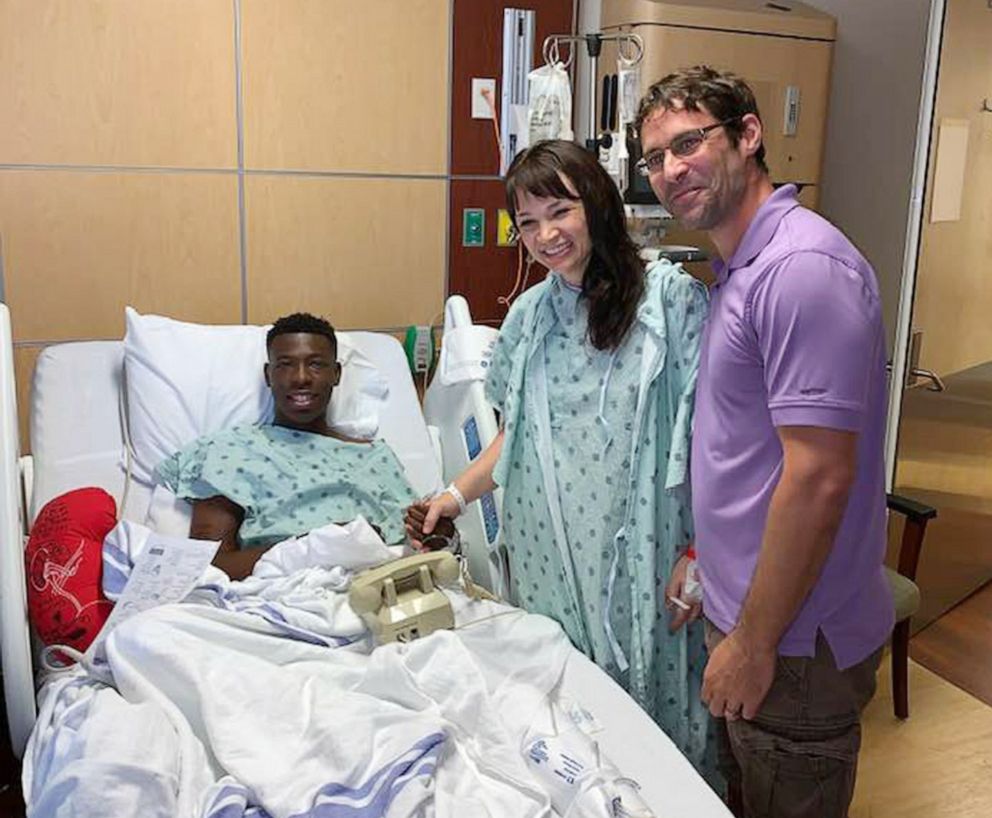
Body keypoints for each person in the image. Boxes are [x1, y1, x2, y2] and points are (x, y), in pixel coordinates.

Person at [408, 139, 716, 782]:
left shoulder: (670, 301)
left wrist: (703, 554)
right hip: (553, 555)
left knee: (655, 711)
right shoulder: (529, 318)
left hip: (649, 548)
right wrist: (454, 497)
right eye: (527, 222)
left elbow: (712, 437)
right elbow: (512, 439)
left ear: (596, 204)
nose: (546, 234)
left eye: (560, 211)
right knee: (574, 710)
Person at [636, 65, 890, 818]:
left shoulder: (800, 271)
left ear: (749, 135)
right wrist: (707, 558)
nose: (670, 170)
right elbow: (750, 451)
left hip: (793, 644)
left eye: (689, 143)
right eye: (654, 158)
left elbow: (818, 480)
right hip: (757, 617)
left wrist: (751, 643)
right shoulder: (740, 270)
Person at [158, 312, 454, 580]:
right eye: (286, 365)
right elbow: (206, 567)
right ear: (268, 375)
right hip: (272, 596)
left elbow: (419, 549)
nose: (301, 378)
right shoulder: (231, 450)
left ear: (336, 374)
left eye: (315, 364)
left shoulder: (374, 457)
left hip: (378, 596)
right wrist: (316, 547)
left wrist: (437, 534)